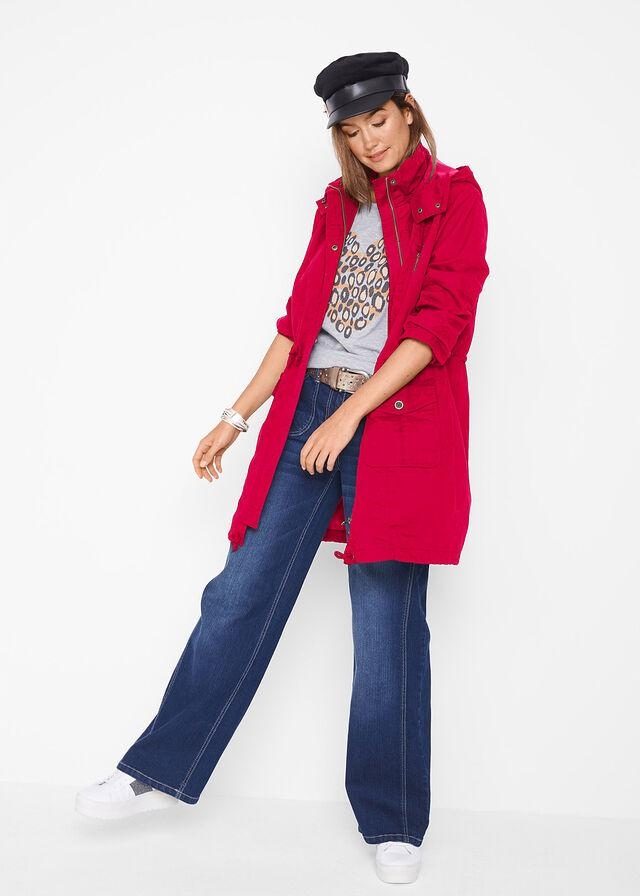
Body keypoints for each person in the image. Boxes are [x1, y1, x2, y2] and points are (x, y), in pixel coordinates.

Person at [75, 51, 490, 886]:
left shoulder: (455, 196)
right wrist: (235, 418)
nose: (369, 141)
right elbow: (300, 324)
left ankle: (393, 819)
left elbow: (439, 325)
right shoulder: (338, 205)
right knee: (240, 591)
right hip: (308, 411)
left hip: (392, 426)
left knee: (386, 621)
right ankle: (159, 769)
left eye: (379, 121)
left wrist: (351, 412)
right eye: (352, 130)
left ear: (408, 110)